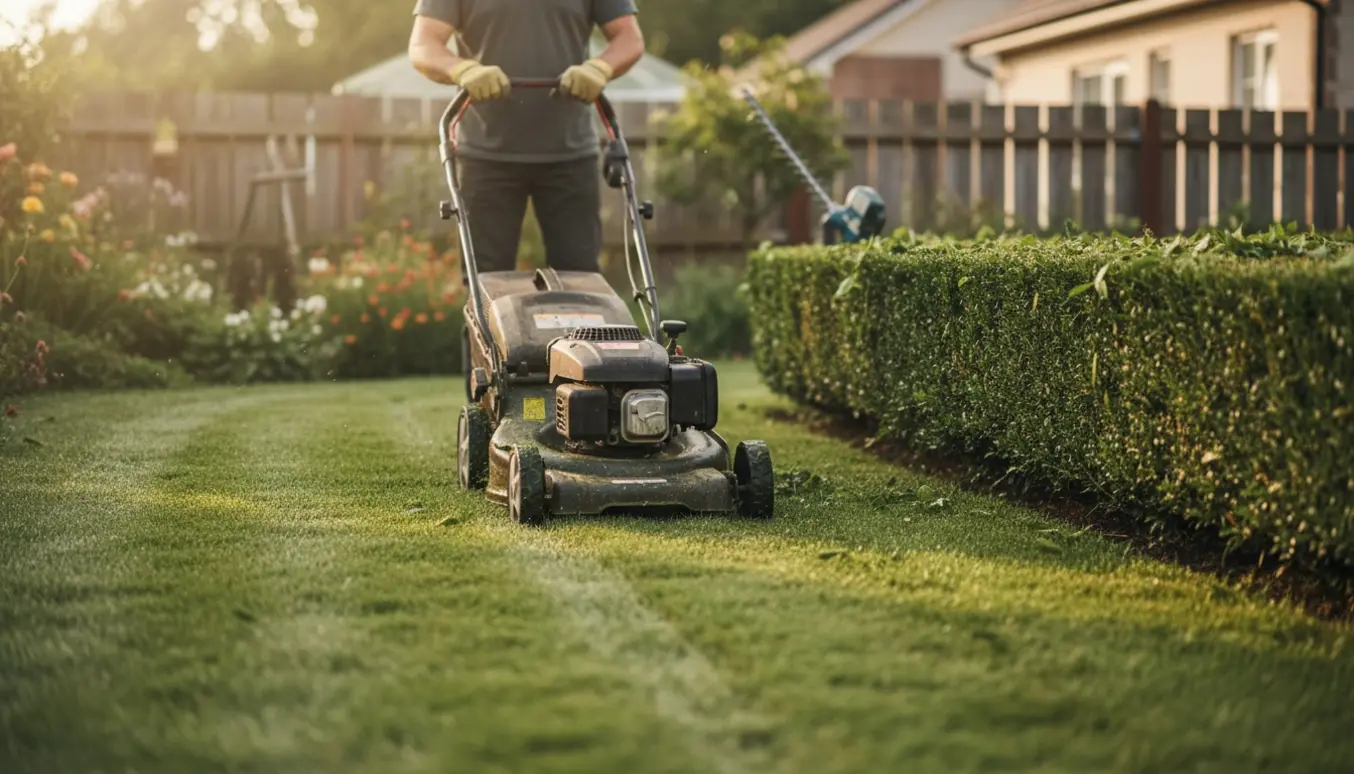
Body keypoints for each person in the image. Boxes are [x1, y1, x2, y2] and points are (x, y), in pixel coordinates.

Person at [408, 0, 645, 275]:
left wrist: (600, 68)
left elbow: (629, 37)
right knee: (485, 284)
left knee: (581, 282)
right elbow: (423, 44)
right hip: (486, 157)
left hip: (570, 155)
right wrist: (463, 70)